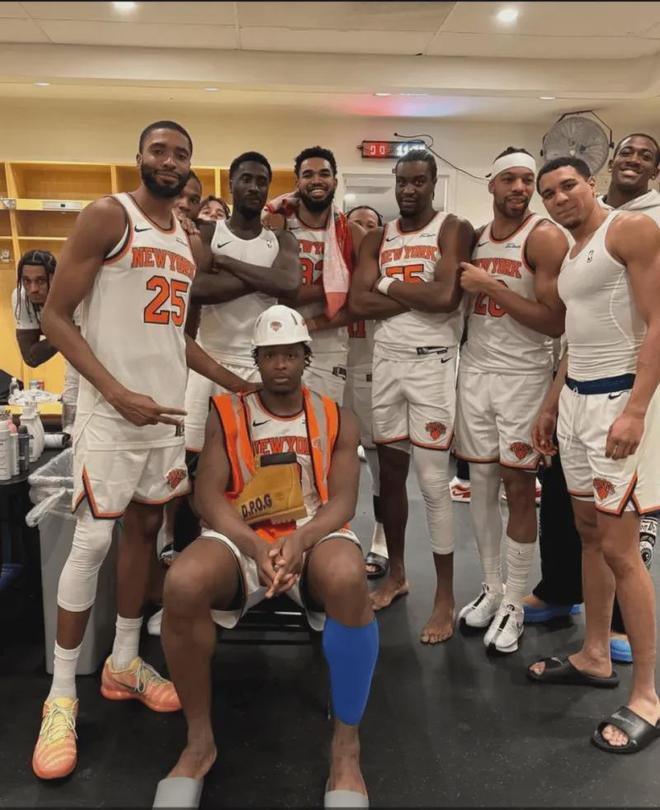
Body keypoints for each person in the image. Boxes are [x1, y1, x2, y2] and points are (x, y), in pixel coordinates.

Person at [31, 120, 251, 780]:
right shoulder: (108, 215)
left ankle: (124, 662)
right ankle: (60, 696)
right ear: (139, 157)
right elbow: (54, 318)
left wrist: (235, 382)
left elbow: (173, 336)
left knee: (147, 533)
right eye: (160, 149)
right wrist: (115, 392)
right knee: (92, 542)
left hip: (164, 416)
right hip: (111, 413)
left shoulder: (184, 238)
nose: (170, 160)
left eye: (182, 154)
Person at [154, 305, 377, 809]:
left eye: (290, 355)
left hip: (312, 532)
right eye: (270, 355)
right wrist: (255, 546)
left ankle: (346, 752)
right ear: (256, 359)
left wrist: (300, 541)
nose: (280, 364)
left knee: (348, 578)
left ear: (306, 358)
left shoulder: (337, 416)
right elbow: (207, 495)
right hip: (242, 534)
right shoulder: (226, 411)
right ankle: (198, 744)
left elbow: (343, 501)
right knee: (183, 583)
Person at [528, 156, 660, 755]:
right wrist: (551, 402)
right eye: (548, 192)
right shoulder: (574, 250)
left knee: (621, 549)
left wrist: (636, 410)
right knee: (587, 534)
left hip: (618, 400)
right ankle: (595, 653)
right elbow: (575, 337)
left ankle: (648, 696)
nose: (559, 198)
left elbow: (658, 322)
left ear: (591, 183)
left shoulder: (629, 229)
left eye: (568, 186)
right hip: (577, 399)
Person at [349, 149, 474, 644]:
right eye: (402, 181)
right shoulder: (378, 237)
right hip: (386, 363)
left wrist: (384, 283)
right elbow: (358, 302)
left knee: (434, 482)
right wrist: (415, 288)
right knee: (390, 476)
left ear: (433, 182)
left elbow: (446, 298)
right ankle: (397, 574)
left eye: (419, 181)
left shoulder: (452, 228)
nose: (408, 190)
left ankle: (444, 597)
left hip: (432, 365)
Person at [454, 148, 568, 654]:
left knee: (518, 488)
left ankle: (516, 603)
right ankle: (492, 587)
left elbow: (554, 321)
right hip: (475, 372)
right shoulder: (478, 236)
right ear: (492, 184)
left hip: (523, 376)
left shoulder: (543, 237)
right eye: (510, 179)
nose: (520, 188)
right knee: (479, 483)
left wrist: (490, 286)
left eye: (527, 180)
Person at [263, 146, 364, 403]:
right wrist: (332, 289)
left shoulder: (352, 233)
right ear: (297, 183)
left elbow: (359, 304)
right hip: (278, 340)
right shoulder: (276, 224)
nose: (316, 180)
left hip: (328, 347)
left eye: (324, 174)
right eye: (308, 174)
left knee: (323, 420)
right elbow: (269, 290)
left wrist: (312, 324)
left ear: (335, 182)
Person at [345, 206, 387, 579]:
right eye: (356, 223)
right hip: (330, 366)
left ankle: (381, 540)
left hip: (370, 370)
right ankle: (336, 536)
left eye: (371, 226)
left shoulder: (382, 267)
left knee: (378, 463)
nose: (363, 231)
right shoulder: (334, 262)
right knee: (328, 459)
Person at [12, 249, 79, 429]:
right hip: (73, 355)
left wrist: (62, 334)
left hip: (99, 351)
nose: (33, 289)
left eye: (41, 281)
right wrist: (65, 332)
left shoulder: (74, 294)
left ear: (54, 278)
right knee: (70, 422)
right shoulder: (22, 296)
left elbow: (82, 347)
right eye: (27, 281)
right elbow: (31, 357)